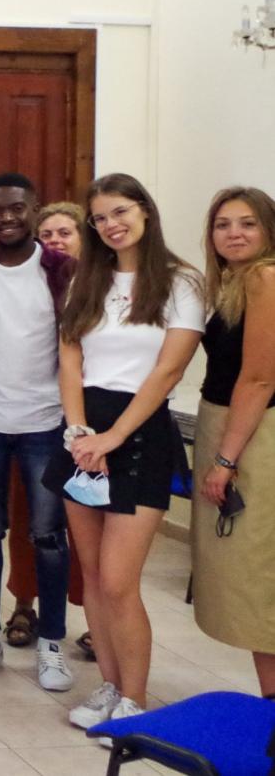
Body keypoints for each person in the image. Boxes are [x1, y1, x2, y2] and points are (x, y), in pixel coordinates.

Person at [41, 173, 203, 733]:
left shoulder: (181, 282)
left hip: (140, 433)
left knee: (117, 580)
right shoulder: (85, 281)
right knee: (90, 574)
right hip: (84, 433)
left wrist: (112, 438)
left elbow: (168, 371)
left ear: (145, 211)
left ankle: (134, 699)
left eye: (120, 212)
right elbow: (70, 362)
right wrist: (79, 432)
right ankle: (110, 684)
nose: (111, 224)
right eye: (100, 217)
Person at [0, 173, 75, 693]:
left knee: (48, 536)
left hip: (47, 424)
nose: (6, 217)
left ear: (34, 209)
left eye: (17, 208)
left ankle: (52, 644)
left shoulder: (63, 271)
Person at [192, 186, 275, 699]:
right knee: (249, 584)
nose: (234, 233)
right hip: (230, 428)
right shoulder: (235, 284)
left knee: (258, 583)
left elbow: (260, 379)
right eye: (223, 224)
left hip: (252, 439)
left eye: (247, 223)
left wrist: (225, 459)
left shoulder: (265, 278)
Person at [5, 198, 91, 659]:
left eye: (65, 233)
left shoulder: (99, 288)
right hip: (34, 417)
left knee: (87, 521)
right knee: (28, 518)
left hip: (92, 420)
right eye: (47, 235)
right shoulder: (28, 283)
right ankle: (24, 606)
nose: (55, 242)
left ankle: (95, 615)